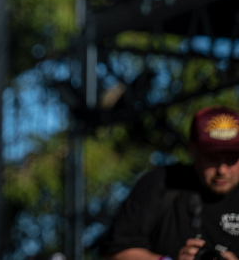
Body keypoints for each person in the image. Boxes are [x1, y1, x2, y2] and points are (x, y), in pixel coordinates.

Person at [101, 106, 239, 260]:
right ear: (192, 150)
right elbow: (115, 253)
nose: (222, 170)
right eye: (212, 158)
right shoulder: (163, 183)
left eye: (231, 159)